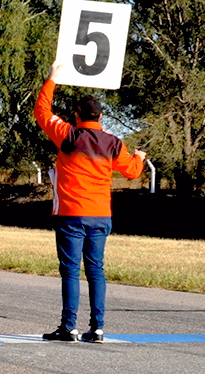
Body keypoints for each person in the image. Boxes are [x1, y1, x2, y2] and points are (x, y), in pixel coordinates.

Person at [37, 63, 145, 343]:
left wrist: (52, 80)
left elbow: (42, 113)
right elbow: (132, 171)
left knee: (71, 270)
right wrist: (140, 158)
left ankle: (68, 326)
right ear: (100, 116)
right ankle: (97, 328)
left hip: (71, 213)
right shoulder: (113, 143)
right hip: (101, 215)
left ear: (77, 116)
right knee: (96, 269)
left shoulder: (68, 135)